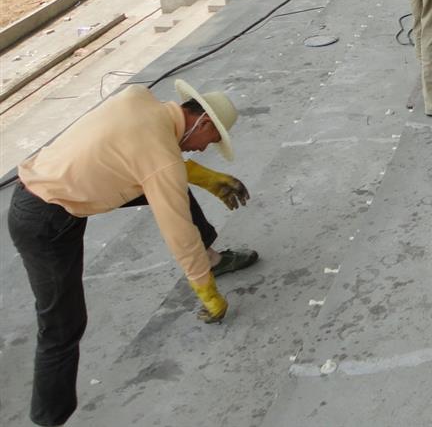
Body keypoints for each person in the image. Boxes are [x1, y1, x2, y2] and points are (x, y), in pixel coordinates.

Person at [7, 79, 257, 426]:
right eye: (211, 140)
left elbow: (151, 155)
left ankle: (213, 258)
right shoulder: (161, 158)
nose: (202, 149)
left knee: (169, 183)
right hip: (44, 221)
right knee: (62, 326)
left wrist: (202, 176)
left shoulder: (140, 97)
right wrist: (206, 291)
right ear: (203, 123)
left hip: (56, 186)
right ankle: (48, 419)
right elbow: (178, 232)